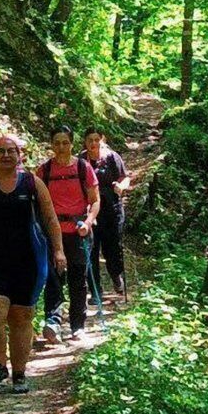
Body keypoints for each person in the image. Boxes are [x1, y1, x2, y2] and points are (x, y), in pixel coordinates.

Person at [0, 134, 66, 394]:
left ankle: (19, 373)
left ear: (19, 155)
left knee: (21, 316)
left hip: (29, 258)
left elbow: (51, 219)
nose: (6, 156)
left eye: (11, 151)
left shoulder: (33, 183)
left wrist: (58, 251)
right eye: (1, 152)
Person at [35, 125, 99, 344]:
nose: (61, 147)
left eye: (65, 142)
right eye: (57, 143)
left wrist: (89, 222)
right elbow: (38, 204)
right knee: (53, 278)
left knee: (78, 279)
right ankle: (52, 322)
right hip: (52, 234)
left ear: (72, 144)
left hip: (79, 231)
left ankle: (77, 325)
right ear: (51, 145)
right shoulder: (44, 171)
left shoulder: (83, 168)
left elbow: (95, 200)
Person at [79, 126, 130, 299]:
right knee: (92, 251)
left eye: (96, 140)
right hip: (90, 212)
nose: (93, 143)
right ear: (85, 142)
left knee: (112, 249)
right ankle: (95, 291)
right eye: (90, 140)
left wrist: (120, 186)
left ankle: (116, 276)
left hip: (112, 211)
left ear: (102, 140)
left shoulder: (111, 157)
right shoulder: (81, 161)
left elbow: (125, 177)